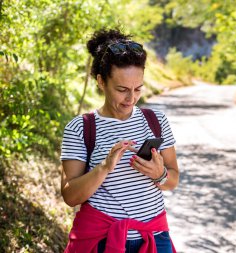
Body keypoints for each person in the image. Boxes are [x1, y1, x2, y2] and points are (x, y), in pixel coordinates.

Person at [60, 28, 179, 253]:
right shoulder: (81, 128)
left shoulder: (156, 121)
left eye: (138, 89)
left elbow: (173, 180)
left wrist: (159, 174)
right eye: (122, 89)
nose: (131, 98)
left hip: (154, 237)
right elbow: (70, 195)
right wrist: (104, 168)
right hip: (102, 240)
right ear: (101, 82)